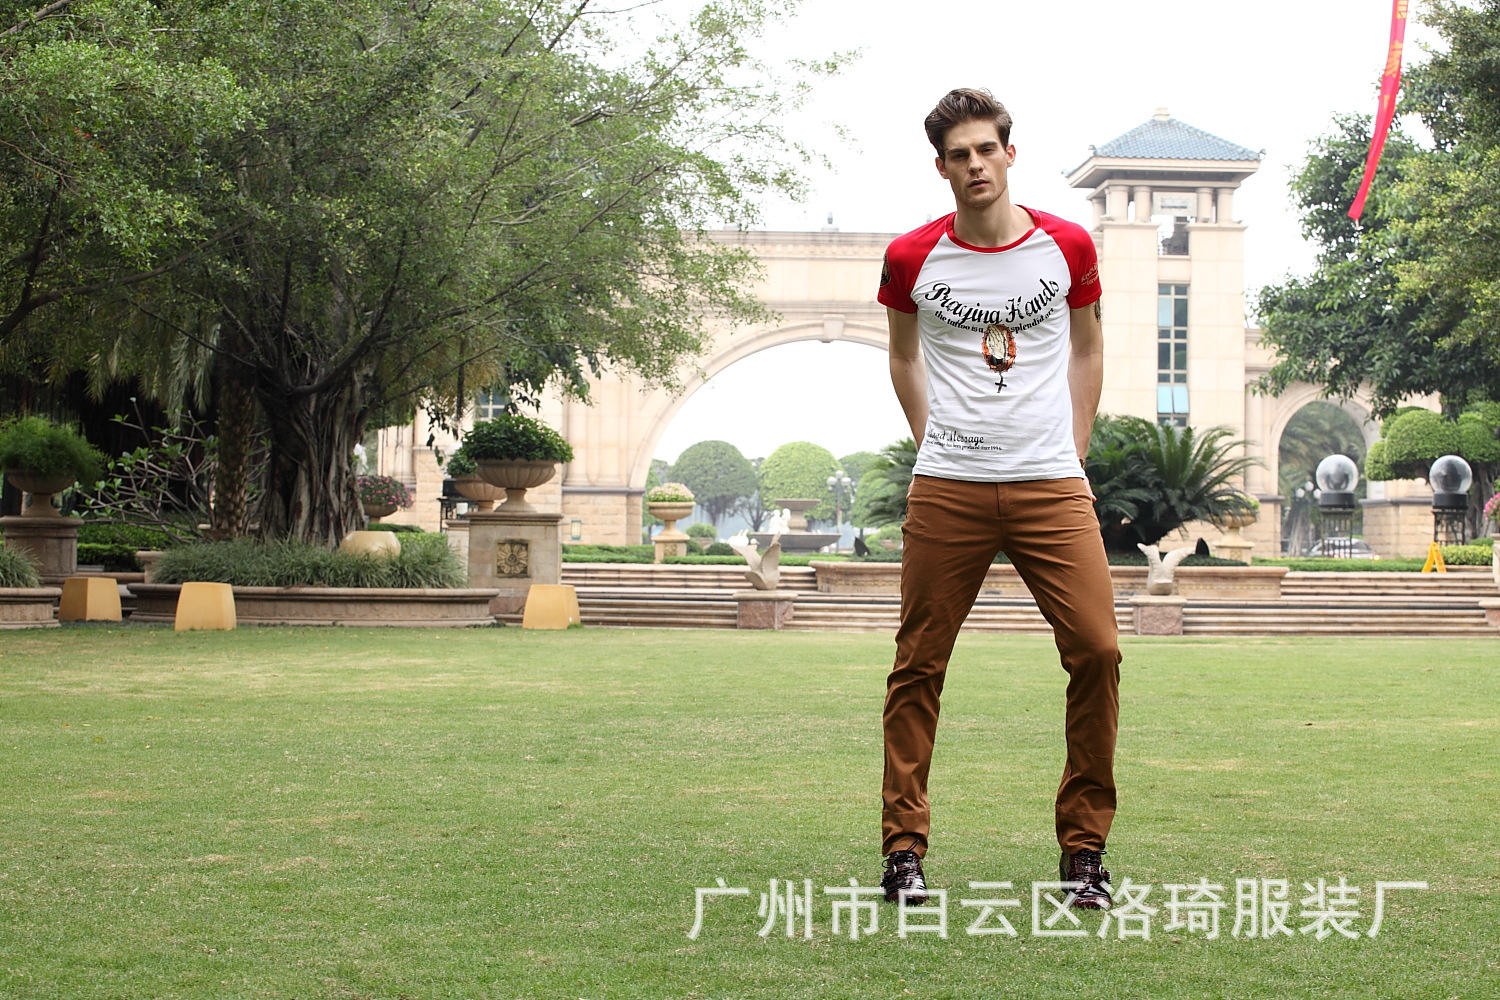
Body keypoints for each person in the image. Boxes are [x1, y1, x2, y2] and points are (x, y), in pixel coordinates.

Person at [876, 88, 1121, 910]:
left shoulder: (1067, 245)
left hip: (1051, 484)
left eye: (986, 149)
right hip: (949, 487)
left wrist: (1074, 448)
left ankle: (1083, 851)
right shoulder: (912, 257)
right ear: (941, 167)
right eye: (959, 155)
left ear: (1009, 154)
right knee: (919, 665)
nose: (975, 165)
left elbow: (1088, 348)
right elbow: (903, 357)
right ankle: (903, 851)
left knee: (1098, 652)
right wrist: (931, 442)